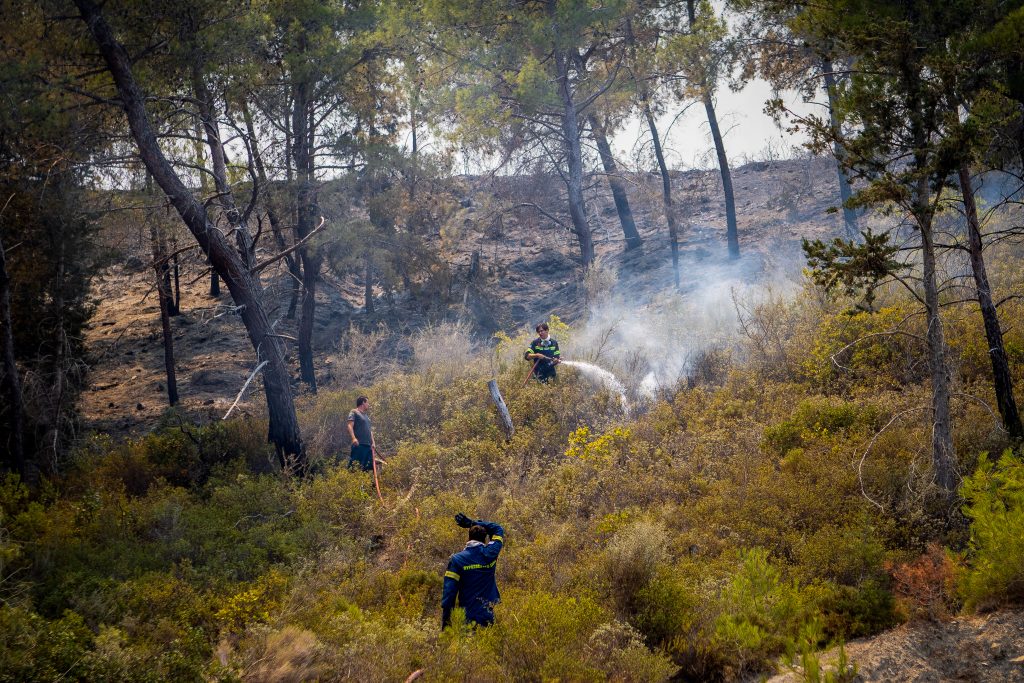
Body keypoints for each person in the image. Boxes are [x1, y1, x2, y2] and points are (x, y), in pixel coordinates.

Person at [441, 513, 505, 629]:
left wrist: (446, 624)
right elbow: (498, 528)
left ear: (469, 537)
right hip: (488, 616)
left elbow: (449, 594)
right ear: (485, 538)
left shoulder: (457, 560)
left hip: (467, 618)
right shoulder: (491, 553)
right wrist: (472, 522)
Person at [346, 395, 375, 471]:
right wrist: (354, 438)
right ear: (363, 403)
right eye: (367, 402)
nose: (368, 404)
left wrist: (373, 442)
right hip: (359, 444)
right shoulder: (354, 412)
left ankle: (366, 483)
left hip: (368, 446)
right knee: (355, 467)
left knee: (368, 468)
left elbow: (370, 430)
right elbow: (349, 425)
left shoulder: (366, 417)